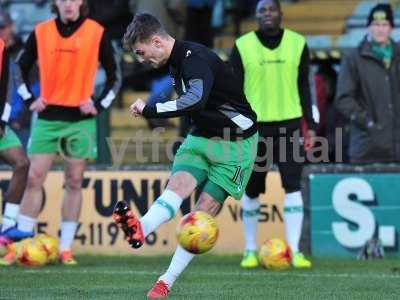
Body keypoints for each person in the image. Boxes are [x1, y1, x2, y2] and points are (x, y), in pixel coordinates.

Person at [114, 13, 258, 298]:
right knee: (177, 188)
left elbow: (195, 99)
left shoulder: (195, 58)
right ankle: (140, 229)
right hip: (202, 136)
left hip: (236, 145)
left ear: (156, 41)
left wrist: (151, 109)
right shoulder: (177, 60)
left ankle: (165, 282)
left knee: (201, 215)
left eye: (141, 52)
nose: (142, 59)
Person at [0, 0, 120, 265]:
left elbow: (115, 76)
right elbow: (18, 68)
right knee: (33, 178)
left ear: (82, 3)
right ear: (55, 3)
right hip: (46, 118)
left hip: (80, 120)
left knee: (74, 181)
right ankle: (20, 247)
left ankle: (66, 248)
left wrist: (98, 105)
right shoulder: (41, 31)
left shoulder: (96, 32)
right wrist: (30, 98)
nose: (68, 4)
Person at [230, 0, 316, 269]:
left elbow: (305, 87)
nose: (267, 14)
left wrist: (310, 125)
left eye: (272, 10)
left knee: (293, 185)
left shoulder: (298, 43)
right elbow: (232, 92)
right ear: (256, 16)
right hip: (254, 129)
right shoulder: (242, 46)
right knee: (252, 189)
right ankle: (250, 250)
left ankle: (294, 250)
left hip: (290, 125)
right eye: (262, 11)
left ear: (281, 13)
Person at [335, 3, 400, 163]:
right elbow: (343, 99)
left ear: (391, 28)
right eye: (375, 24)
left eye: (385, 24)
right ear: (368, 27)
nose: (380, 29)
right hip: (367, 148)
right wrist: (368, 123)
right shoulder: (353, 58)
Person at [0, 27, 30, 249]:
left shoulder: (3, 49)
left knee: (22, 163)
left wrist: (2, 121)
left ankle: (8, 226)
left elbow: (6, 89)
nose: (7, 32)